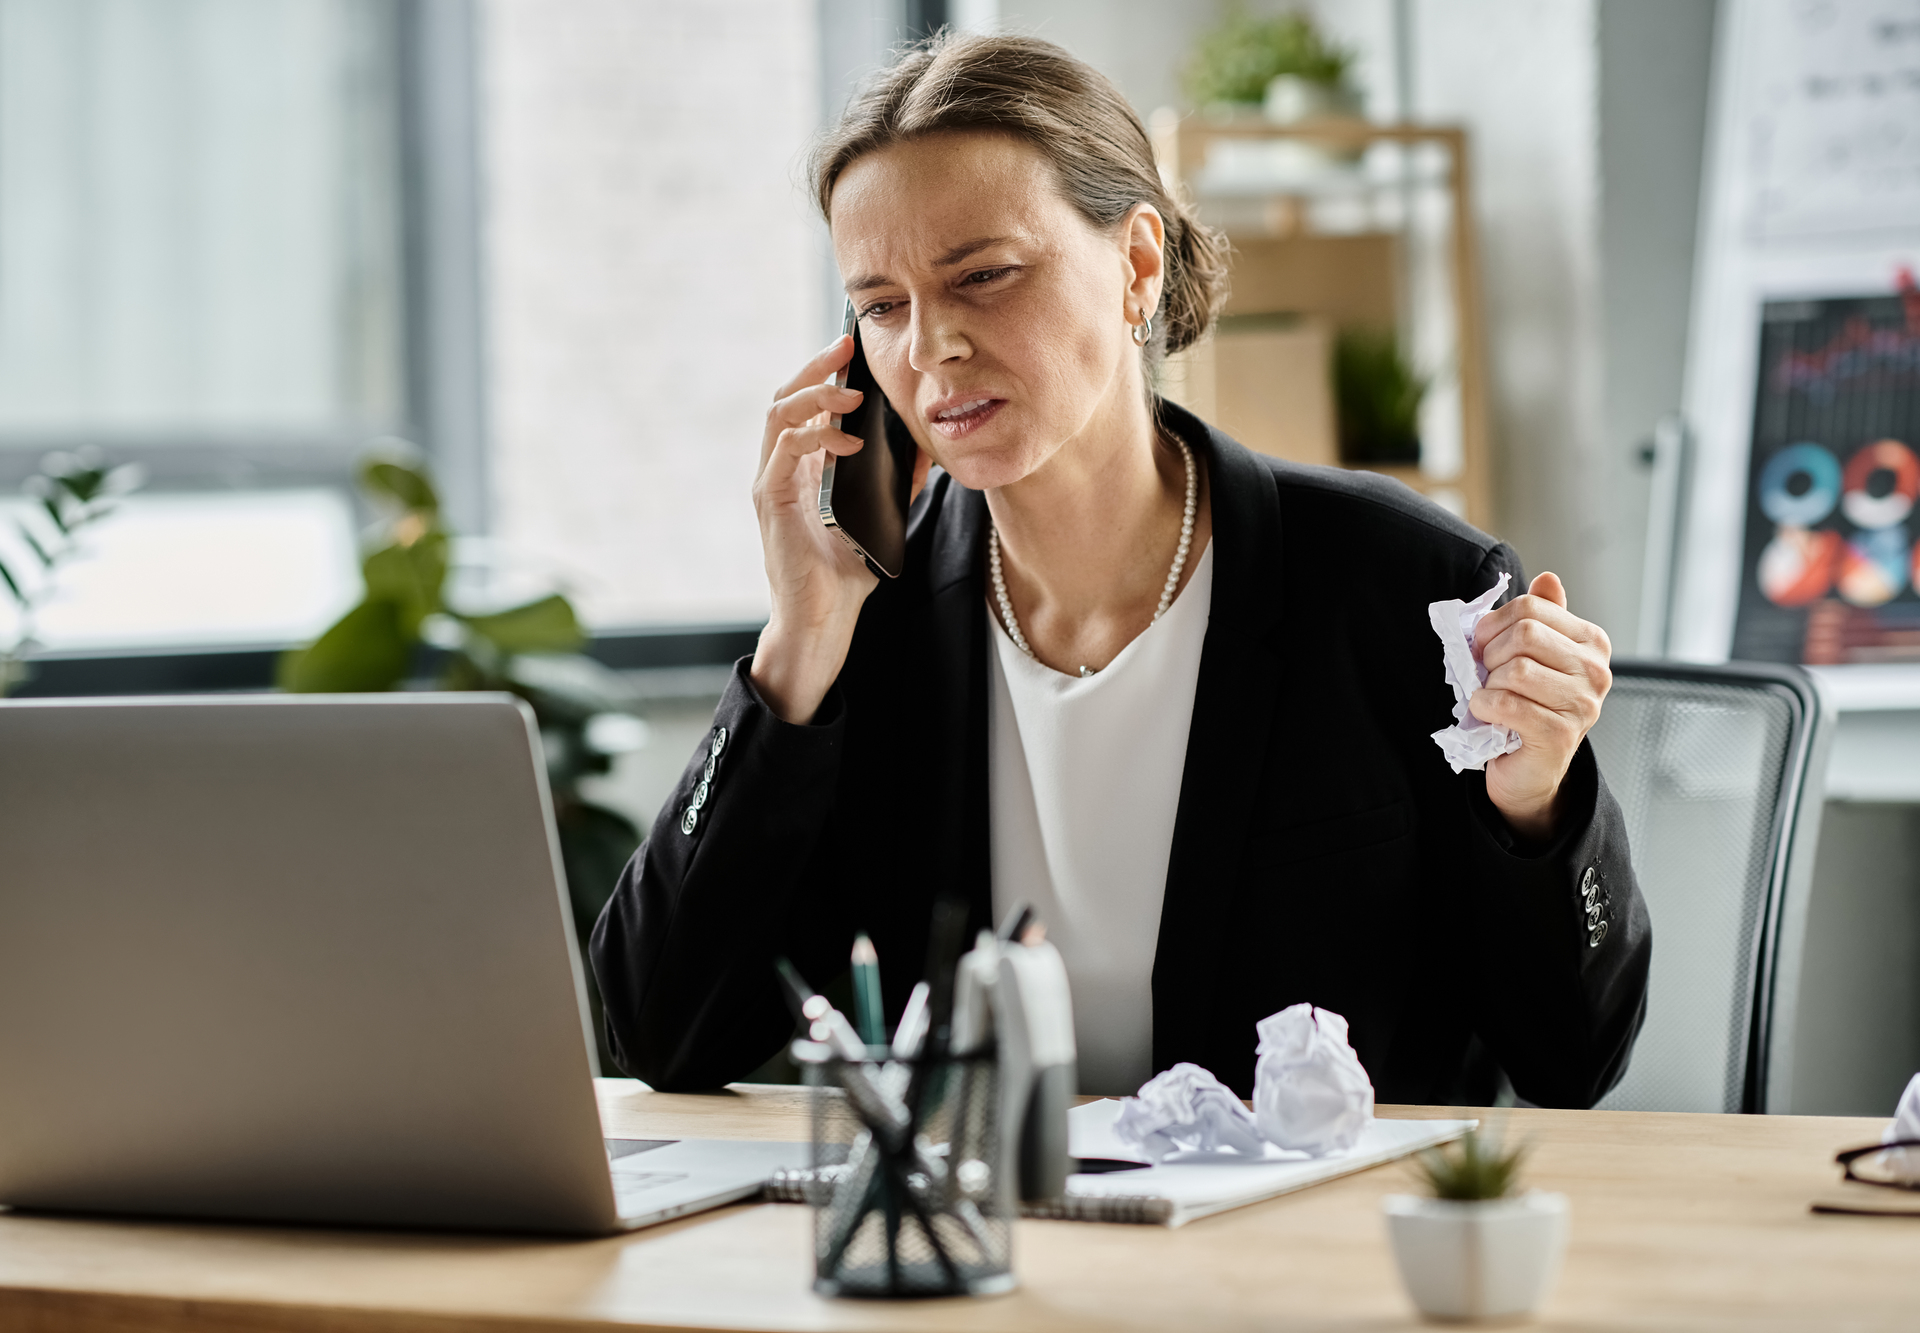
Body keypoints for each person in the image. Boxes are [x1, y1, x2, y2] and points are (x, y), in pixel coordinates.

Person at [590, 32, 1649, 1105]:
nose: (929, 347)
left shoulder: (1406, 589)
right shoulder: (873, 626)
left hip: (1312, 1252)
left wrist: (1530, 811)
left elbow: (1571, 1058)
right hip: (1000, 1248)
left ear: (1136, 264)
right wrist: (798, 642)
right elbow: (664, 1033)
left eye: (983, 276)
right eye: (880, 304)